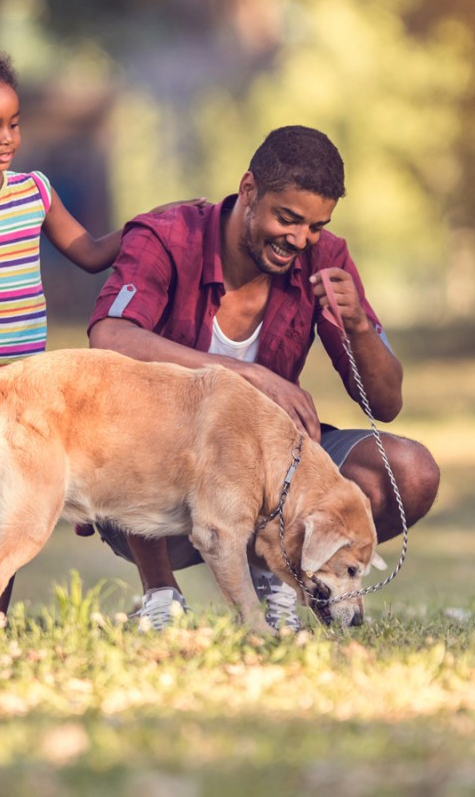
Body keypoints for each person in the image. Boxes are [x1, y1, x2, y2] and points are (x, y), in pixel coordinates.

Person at [0, 20, 200, 637]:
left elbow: (87, 251)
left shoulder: (34, 192)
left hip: (28, 378)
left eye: (14, 125)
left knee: (16, 497)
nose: (7, 139)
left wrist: (148, 228)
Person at [87, 125, 440, 630]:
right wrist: (248, 375)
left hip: (271, 475)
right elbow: (109, 338)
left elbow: (386, 401)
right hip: (152, 482)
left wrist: (358, 323)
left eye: (315, 226)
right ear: (249, 191)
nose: (299, 240)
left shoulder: (325, 257)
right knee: (160, 439)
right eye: (287, 219)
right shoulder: (168, 236)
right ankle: (160, 593)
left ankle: (282, 571)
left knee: (411, 472)